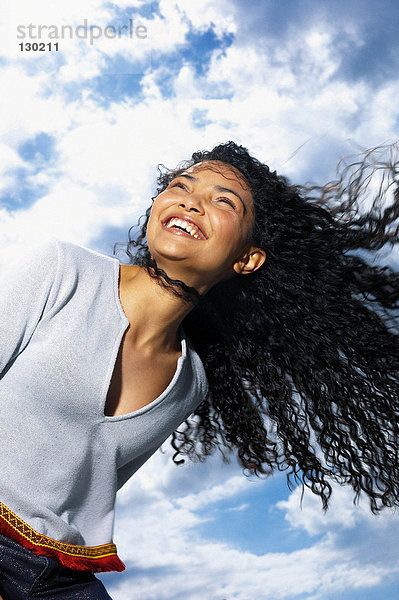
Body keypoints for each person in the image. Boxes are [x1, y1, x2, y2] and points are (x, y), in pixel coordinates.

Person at [0, 140, 398, 599]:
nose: (191, 200)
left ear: (248, 258)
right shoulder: (62, 270)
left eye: (223, 200)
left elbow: (88, 489)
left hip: (56, 575)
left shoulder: (189, 385)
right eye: (181, 186)